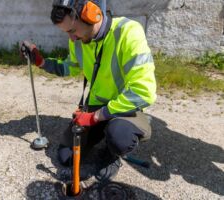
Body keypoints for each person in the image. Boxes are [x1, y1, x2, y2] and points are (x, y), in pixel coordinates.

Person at [20, 0, 156, 182]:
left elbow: (143, 91)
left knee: (119, 138)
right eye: (66, 32)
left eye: (72, 30)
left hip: (125, 110)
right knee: (66, 156)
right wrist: (41, 62)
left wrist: (95, 117)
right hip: (96, 106)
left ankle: (112, 154)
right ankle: (102, 131)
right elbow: (68, 67)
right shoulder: (78, 41)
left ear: (91, 14)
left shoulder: (128, 32)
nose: (71, 38)